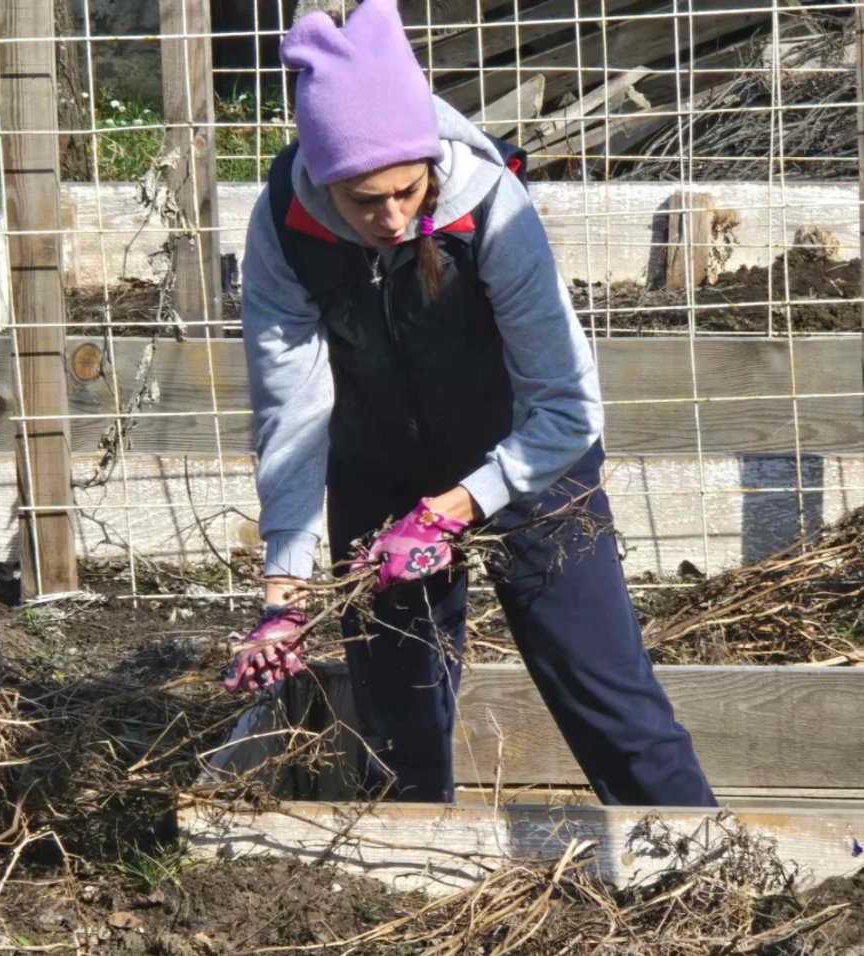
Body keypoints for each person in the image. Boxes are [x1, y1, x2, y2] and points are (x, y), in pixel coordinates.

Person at [223, 0, 717, 808]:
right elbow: (291, 409)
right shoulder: (286, 223)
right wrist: (284, 589)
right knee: (397, 710)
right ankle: (405, 880)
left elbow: (567, 405)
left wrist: (457, 507)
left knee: (602, 684)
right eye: (361, 200)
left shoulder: (491, 205)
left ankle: (697, 862)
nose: (389, 217)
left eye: (405, 191)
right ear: (322, 178)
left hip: (531, 457)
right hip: (380, 460)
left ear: (426, 161)